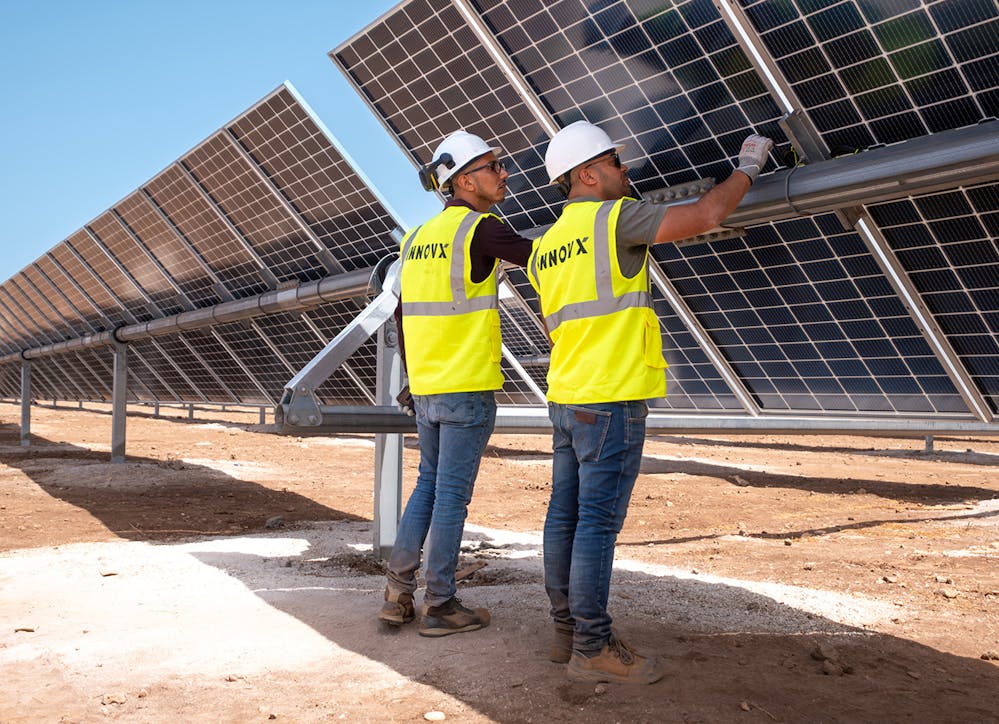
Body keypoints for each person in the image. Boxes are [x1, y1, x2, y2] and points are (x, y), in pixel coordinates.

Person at [528, 121, 773, 683]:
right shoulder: (614, 219)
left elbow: (555, 326)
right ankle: (593, 649)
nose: (626, 171)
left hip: (567, 399)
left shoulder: (544, 248)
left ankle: (565, 635)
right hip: (612, 400)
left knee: (563, 521)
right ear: (587, 173)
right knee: (594, 528)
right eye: (616, 163)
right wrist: (748, 166)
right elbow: (707, 215)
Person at [378, 130, 533, 637]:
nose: (504, 173)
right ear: (464, 180)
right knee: (450, 497)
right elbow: (545, 257)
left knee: (427, 486)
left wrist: (413, 378)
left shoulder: (417, 238)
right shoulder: (481, 229)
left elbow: (402, 314)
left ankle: (397, 593)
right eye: (495, 166)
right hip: (465, 387)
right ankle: (440, 604)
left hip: (426, 390)